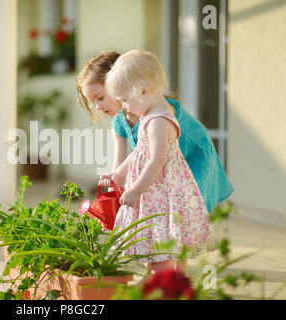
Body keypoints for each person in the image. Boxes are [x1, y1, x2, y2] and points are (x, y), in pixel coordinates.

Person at [98, 49, 216, 274]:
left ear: (143, 90)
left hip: (160, 192)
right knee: (163, 239)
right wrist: (119, 174)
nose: (123, 107)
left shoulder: (158, 121)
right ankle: (172, 284)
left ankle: (165, 285)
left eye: (125, 101)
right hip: (157, 192)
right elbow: (140, 152)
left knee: (160, 240)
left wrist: (135, 190)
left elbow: (156, 161)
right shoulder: (149, 116)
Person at [76, 51, 233, 214]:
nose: (98, 107)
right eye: (93, 102)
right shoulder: (119, 123)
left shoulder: (158, 114)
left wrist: (135, 189)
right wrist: (112, 200)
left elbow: (157, 158)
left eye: (100, 97)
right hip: (162, 163)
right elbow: (122, 163)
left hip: (192, 156)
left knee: (190, 209)